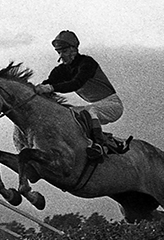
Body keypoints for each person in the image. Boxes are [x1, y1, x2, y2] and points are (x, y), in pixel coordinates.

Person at [35, 30, 124, 159]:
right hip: (95, 105)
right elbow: (47, 84)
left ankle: (99, 146)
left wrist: (50, 88)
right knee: (69, 113)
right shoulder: (61, 70)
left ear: (74, 50)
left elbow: (76, 83)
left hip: (112, 105)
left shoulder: (87, 63)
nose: (61, 56)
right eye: (59, 52)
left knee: (89, 111)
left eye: (64, 52)